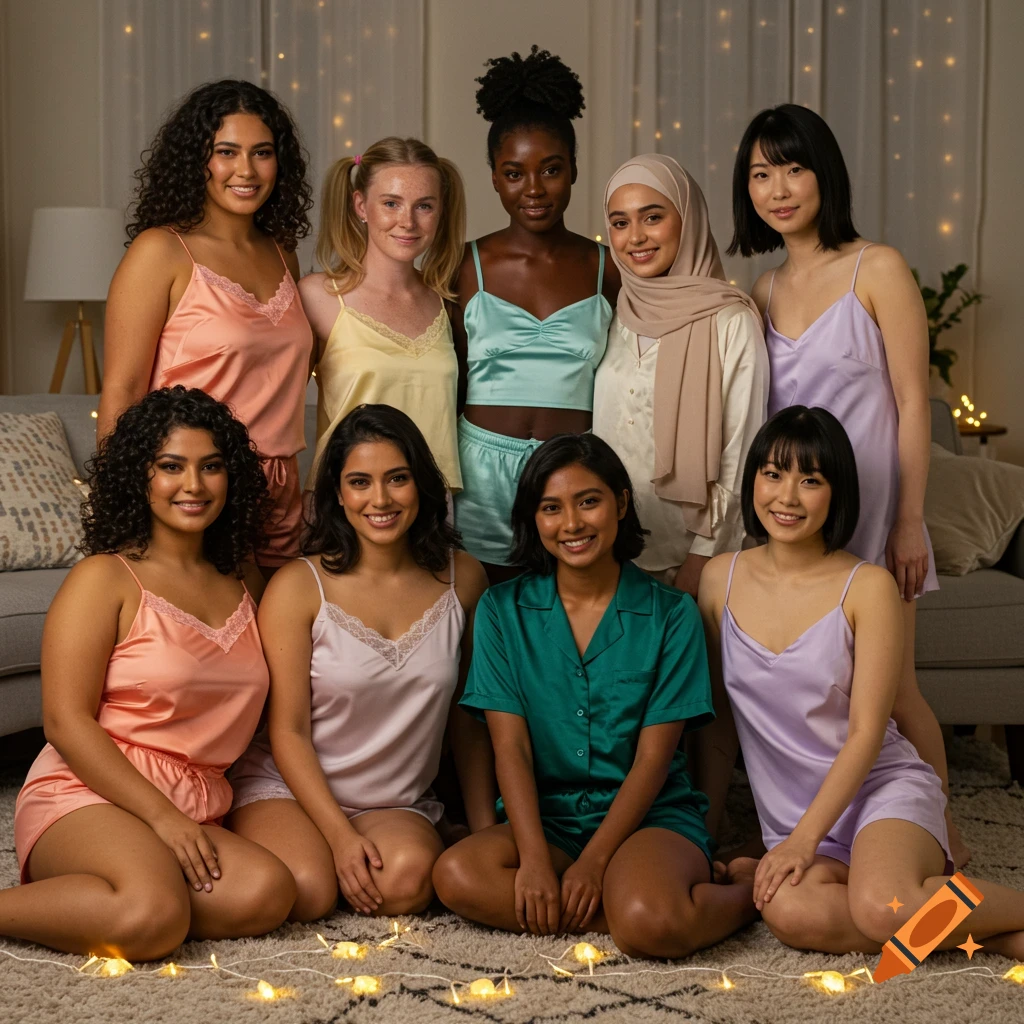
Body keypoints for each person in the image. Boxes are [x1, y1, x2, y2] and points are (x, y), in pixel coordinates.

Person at [727, 103, 967, 867]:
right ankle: (833, 831)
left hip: (874, 513)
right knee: (824, 693)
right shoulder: (762, 289)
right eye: (761, 174)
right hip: (798, 512)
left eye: (793, 168)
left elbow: (908, 401)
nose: (779, 188)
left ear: (824, 173)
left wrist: (909, 520)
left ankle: (944, 840)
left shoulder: (879, 268)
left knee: (895, 696)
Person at [699, 405, 1024, 959]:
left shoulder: (867, 586)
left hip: (880, 792)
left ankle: (996, 918)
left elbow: (867, 734)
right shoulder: (718, 578)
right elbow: (720, 727)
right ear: (752, 479)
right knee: (793, 916)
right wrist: (706, 830)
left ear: (837, 492)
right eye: (773, 474)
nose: (787, 496)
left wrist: (802, 843)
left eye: (811, 480)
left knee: (880, 907)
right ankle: (985, 934)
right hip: (793, 815)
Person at [432, 434, 758, 958]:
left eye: (589, 501)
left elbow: (655, 760)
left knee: (654, 926)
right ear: (533, 520)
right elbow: (509, 748)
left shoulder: (672, 615)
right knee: (456, 876)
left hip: (649, 815)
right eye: (551, 508)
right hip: (548, 818)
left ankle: (747, 894)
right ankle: (630, 909)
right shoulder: (500, 610)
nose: (572, 524)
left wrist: (595, 862)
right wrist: (536, 860)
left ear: (621, 503)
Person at [2, 387, 294, 960]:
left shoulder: (245, 580)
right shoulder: (104, 578)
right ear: (140, 476)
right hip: (89, 788)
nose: (193, 485)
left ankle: (110, 895)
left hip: (197, 798)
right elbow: (64, 721)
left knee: (267, 892)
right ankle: (119, 895)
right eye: (171, 467)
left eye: (211, 467)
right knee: (151, 917)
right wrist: (162, 819)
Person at [227, 405, 491, 921]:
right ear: (338, 493)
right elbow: (289, 731)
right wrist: (340, 837)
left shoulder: (467, 579)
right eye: (360, 482)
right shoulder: (299, 587)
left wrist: (484, 832)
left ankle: (386, 844)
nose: (381, 499)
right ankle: (303, 851)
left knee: (407, 885)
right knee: (308, 890)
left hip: (394, 800)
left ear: (422, 485)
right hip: (290, 786)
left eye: (398, 478)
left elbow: (468, 721)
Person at [98, 79, 314, 571]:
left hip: (282, 485)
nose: (246, 170)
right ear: (197, 160)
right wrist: (122, 509)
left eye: (262, 152)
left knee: (280, 643)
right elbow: (123, 389)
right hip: (199, 480)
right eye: (226, 152)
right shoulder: (161, 251)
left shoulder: (285, 255)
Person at [453, 46, 619, 580]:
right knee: (482, 634)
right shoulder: (465, 265)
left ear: (574, 169)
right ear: (495, 177)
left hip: (572, 479)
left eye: (550, 169)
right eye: (514, 172)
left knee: (567, 629)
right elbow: (450, 376)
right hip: (479, 476)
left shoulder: (607, 268)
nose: (534, 189)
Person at [594, 154, 767, 598]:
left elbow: (741, 452)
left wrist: (703, 558)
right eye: (619, 222)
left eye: (653, 217)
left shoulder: (731, 321)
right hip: (609, 557)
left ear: (688, 218)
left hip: (695, 562)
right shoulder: (610, 315)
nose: (635, 237)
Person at [300, 138, 466, 495]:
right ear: (361, 205)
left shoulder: (448, 303)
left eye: (424, 206)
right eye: (391, 203)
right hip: (347, 504)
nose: (407, 221)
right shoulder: (318, 298)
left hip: (434, 508)